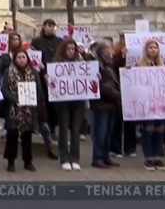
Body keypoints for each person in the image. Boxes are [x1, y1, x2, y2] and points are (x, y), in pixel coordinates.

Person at [0, 49, 42, 172]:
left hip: (29, 109)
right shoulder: (8, 72)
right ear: (15, 59)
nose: (22, 60)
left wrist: (35, 100)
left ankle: (28, 161)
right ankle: (11, 161)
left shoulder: (33, 72)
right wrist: (14, 99)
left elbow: (38, 89)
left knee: (27, 135)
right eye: (19, 57)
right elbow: (4, 89)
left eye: (24, 57)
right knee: (12, 134)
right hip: (13, 109)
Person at [52, 38, 86, 171]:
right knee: (64, 129)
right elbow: (53, 80)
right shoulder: (57, 64)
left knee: (76, 130)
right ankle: (64, 158)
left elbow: (88, 77)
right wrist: (49, 79)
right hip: (63, 101)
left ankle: (75, 158)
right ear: (64, 50)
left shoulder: (81, 63)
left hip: (78, 101)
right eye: (68, 49)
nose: (71, 51)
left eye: (73, 49)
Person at [137, 39, 165, 171]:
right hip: (147, 102)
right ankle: (148, 157)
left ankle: (157, 156)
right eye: (151, 47)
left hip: (160, 102)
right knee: (148, 129)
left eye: (155, 47)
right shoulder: (140, 65)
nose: (153, 50)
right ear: (146, 50)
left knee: (160, 129)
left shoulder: (162, 65)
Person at [90, 40, 122, 169]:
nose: (112, 50)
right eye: (109, 48)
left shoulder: (107, 65)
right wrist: (119, 96)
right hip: (101, 104)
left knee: (108, 132)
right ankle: (97, 158)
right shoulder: (98, 65)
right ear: (103, 51)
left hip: (110, 104)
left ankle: (105, 156)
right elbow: (105, 86)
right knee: (101, 132)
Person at [30, 19, 63, 138]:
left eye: (53, 26)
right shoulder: (37, 41)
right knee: (43, 101)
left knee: (55, 102)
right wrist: (42, 70)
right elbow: (33, 57)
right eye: (49, 26)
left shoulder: (59, 41)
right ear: (44, 27)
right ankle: (43, 126)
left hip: (56, 75)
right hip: (41, 74)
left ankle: (53, 128)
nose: (51, 28)